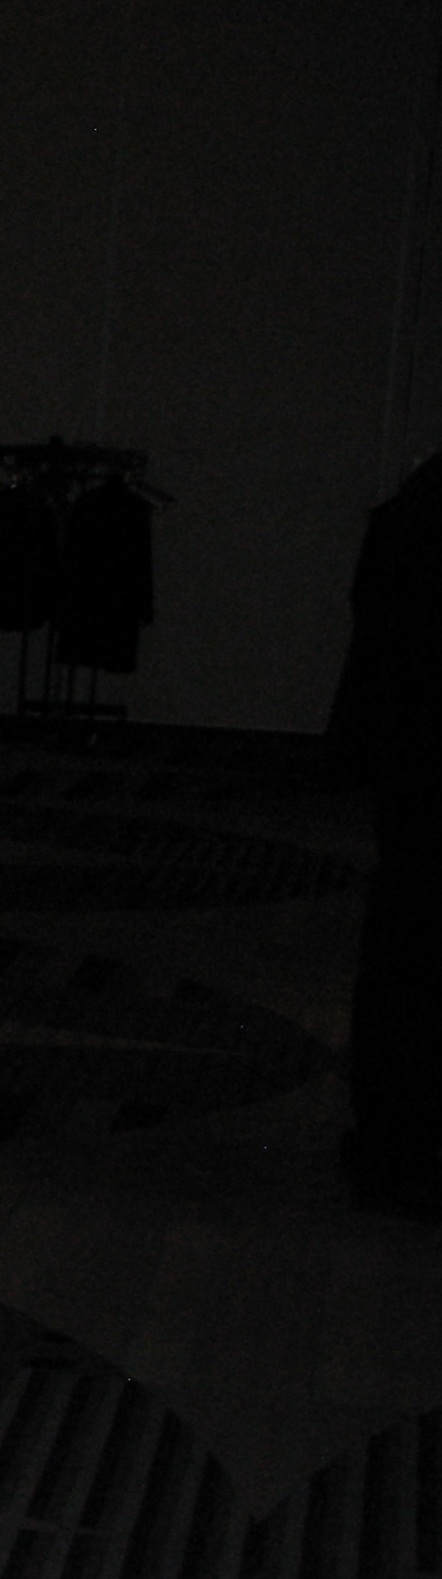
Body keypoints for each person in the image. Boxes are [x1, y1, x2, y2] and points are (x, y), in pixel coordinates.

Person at [333, 448, 442, 1216]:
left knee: (406, 951)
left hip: (416, 764)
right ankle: (396, 1142)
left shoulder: (419, 500)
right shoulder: (426, 507)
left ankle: (390, 1141)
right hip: (426, 761)